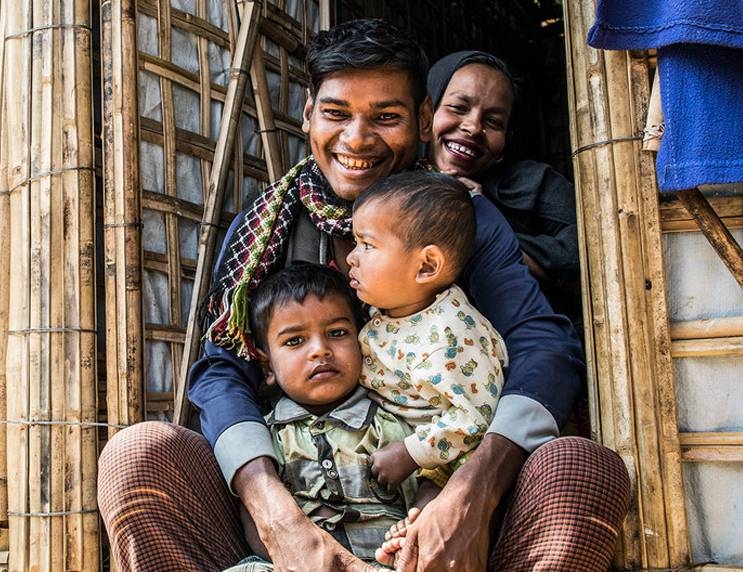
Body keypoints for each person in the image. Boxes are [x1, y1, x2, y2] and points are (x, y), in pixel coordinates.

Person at [97, 19, 630, 572]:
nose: (356, 138)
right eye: (336, 113)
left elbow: (542, 344)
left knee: (582, 467)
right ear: (308, 115)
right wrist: (274, 512)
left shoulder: (455, 220)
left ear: (424, 120)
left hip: (436, 506)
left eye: (386, 117)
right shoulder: (261, 232)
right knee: (138, 457)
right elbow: (222, 368)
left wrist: (472, 493)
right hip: (296, 497)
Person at [223, 263, 438, 571]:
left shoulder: (391, 422)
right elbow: (255, 518)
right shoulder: (266, 439)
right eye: (295, 341)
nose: (320, 350)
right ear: (268, 367)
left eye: (337, 333)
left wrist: (415, 527)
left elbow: (431, 482)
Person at [348, 171, 507, 493]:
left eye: (367, 245)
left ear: (426, 266)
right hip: (389, 440)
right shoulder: (394, 308)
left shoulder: (451, 335)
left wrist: (411, 453)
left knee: (434, 496)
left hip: (443, 460)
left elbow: (475, 416)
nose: (352, 257)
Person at [426, 51, 584, 333]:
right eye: (458, 108)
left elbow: (586, 258)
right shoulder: (392, 188)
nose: (473, 127)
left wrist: (484, 220)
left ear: (507, 140)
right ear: (426, 114)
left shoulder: (534, 183)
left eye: (494, 122)